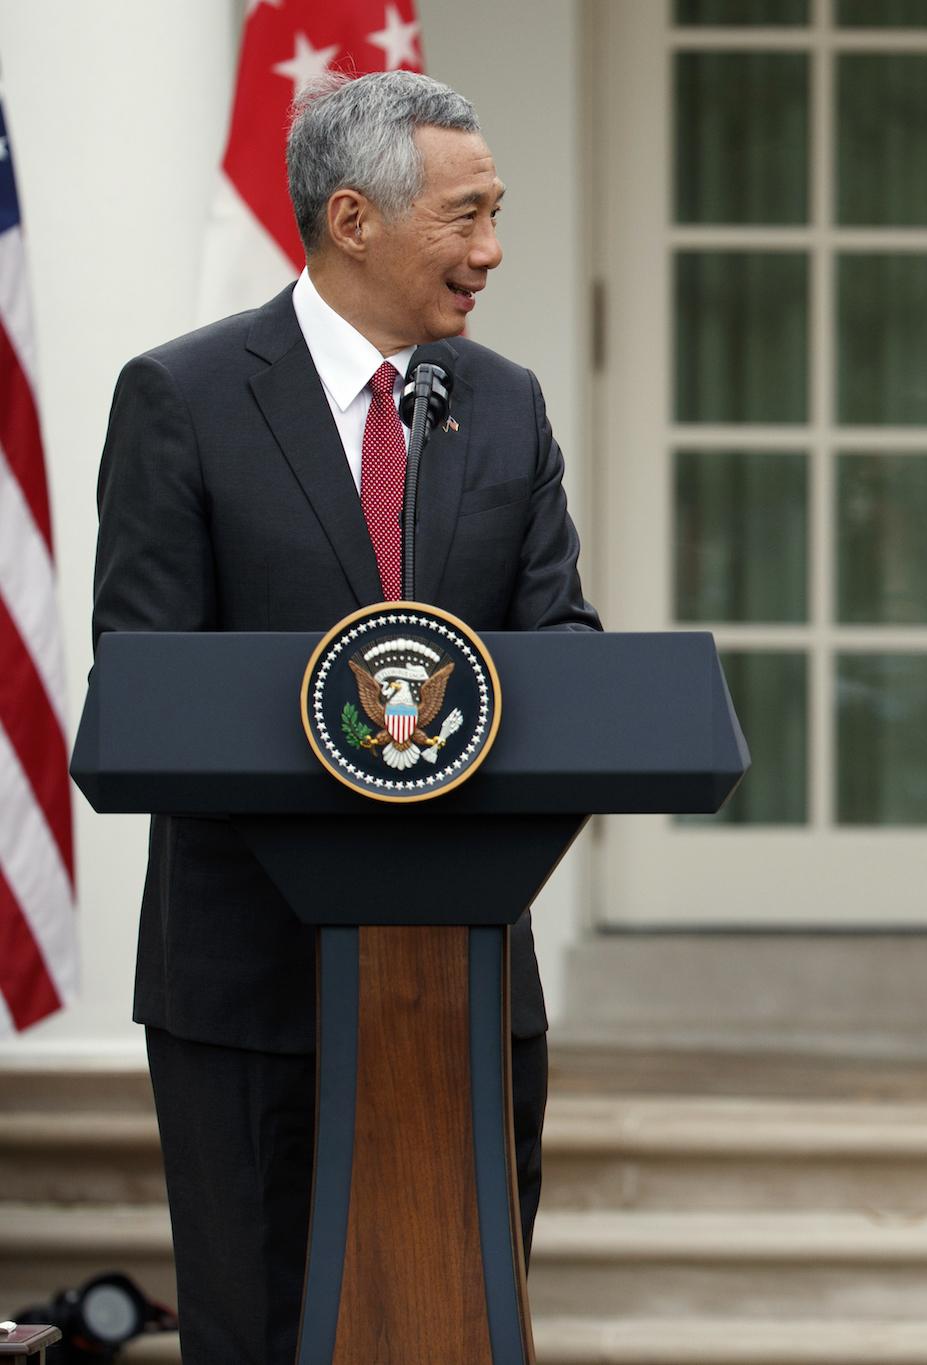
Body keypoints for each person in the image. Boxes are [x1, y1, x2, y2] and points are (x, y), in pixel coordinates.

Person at [90, 71, 599, 1363]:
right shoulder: (183, 399)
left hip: (465, 989)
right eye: (466, 214)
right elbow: (145, 684)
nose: (491, 250)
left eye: (499, 212)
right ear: (354, 219)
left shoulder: (507, 404)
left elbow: (567, 664)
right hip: (247, 988)